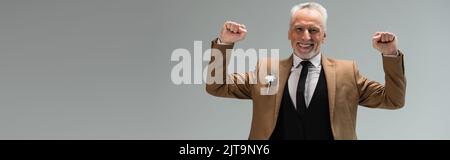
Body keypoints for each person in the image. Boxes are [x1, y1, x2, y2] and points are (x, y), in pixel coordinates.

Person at [205, 2, 406, 140]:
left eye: (314, 30)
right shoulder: (267, 70)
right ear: (289, 33)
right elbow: (217, 86)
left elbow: (393, 100)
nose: (306, 37)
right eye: (299, 29)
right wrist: (225, 43)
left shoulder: (347, 73)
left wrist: (390, 54)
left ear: (324, 36)